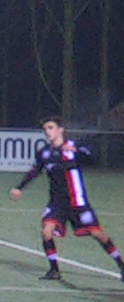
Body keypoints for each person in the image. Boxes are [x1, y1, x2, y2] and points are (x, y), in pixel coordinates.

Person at [11, 116, 124, 281]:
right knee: (46, 231)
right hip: (57, 203)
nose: (47, 132)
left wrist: (76, 151)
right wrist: (19, 187)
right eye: (45, 129)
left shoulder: (73, 146)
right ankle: (54, 270)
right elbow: (35, 171)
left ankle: (121, 265)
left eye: (51, 128)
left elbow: (92, 159)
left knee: (97, 234)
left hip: (78, 202)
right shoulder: (44, 152)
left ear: (60, 130)